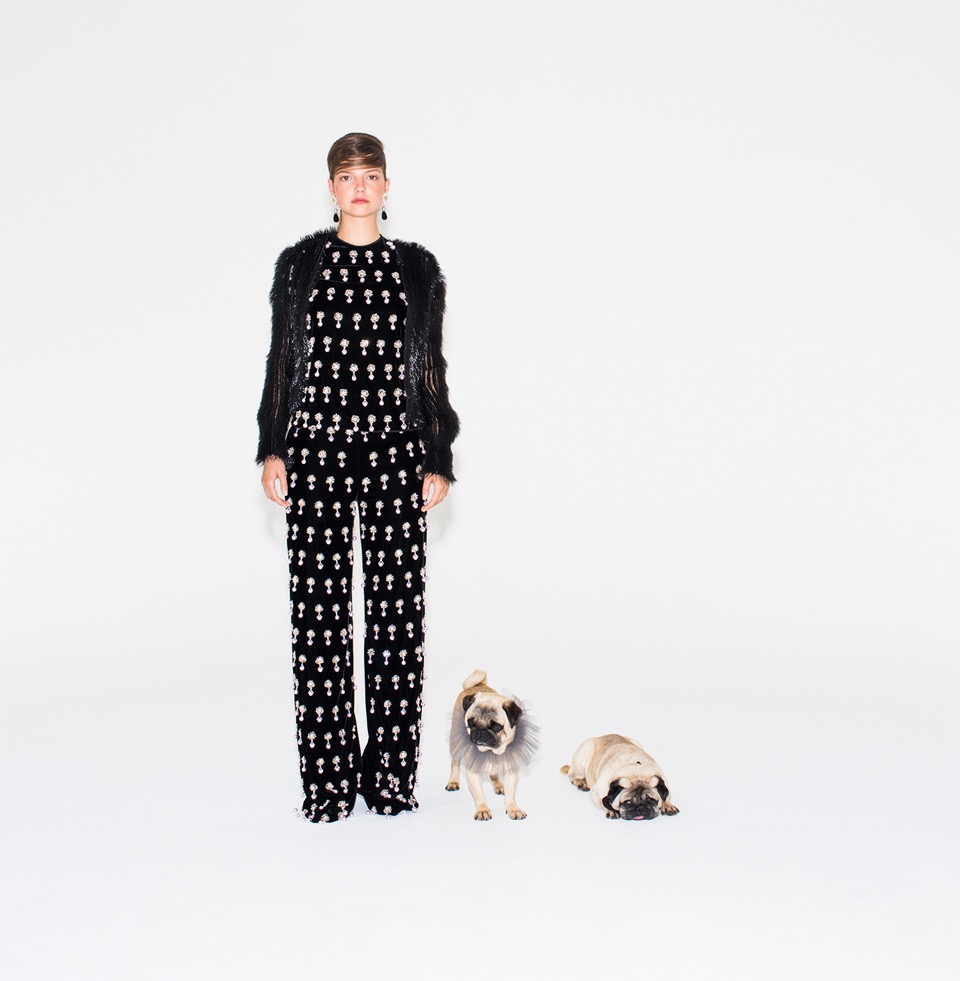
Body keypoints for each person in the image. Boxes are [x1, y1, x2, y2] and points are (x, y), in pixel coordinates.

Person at [256, 133, 459, 822]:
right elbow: (282, 360)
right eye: (348, 177)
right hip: (315, 453)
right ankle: (328, 782)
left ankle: (392, 777)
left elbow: (429, 366)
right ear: (332, 188)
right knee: (318, 619)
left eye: (371, 175)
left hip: (395, 454)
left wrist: (437, 454)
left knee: (397, 618)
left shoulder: (416, 269)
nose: (360, 188)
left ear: (387, 185)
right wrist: (273, 446)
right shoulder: (300, 265)